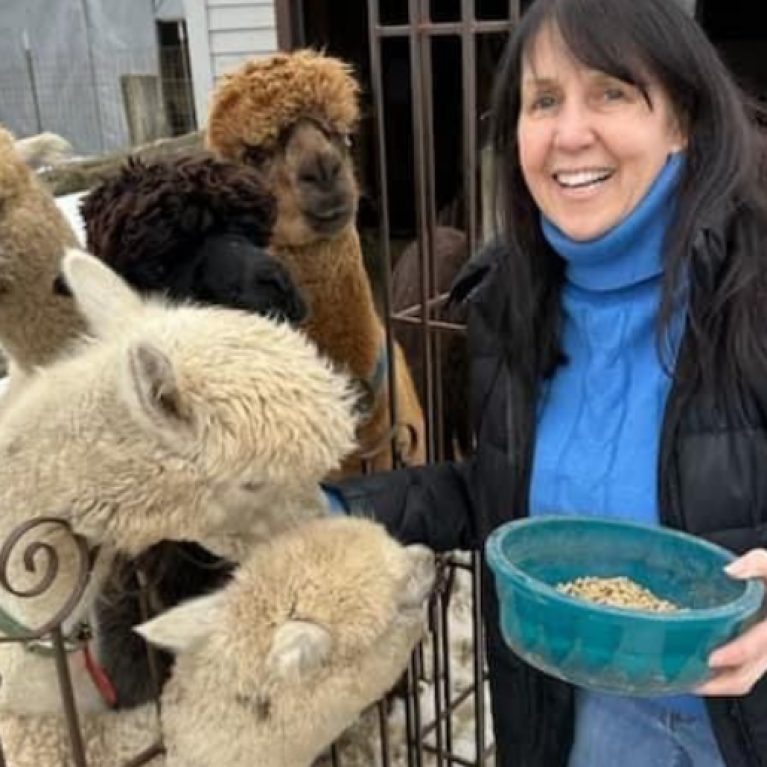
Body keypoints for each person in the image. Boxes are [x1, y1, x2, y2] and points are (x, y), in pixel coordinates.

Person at [325, 0, 767, 764]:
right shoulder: (506, 304)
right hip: (588, 721)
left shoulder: (752, 286)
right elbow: (504, 494)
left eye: (611, 92)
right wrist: (332, 507)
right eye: (543, 100)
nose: (568, 134)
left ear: (682, 119)